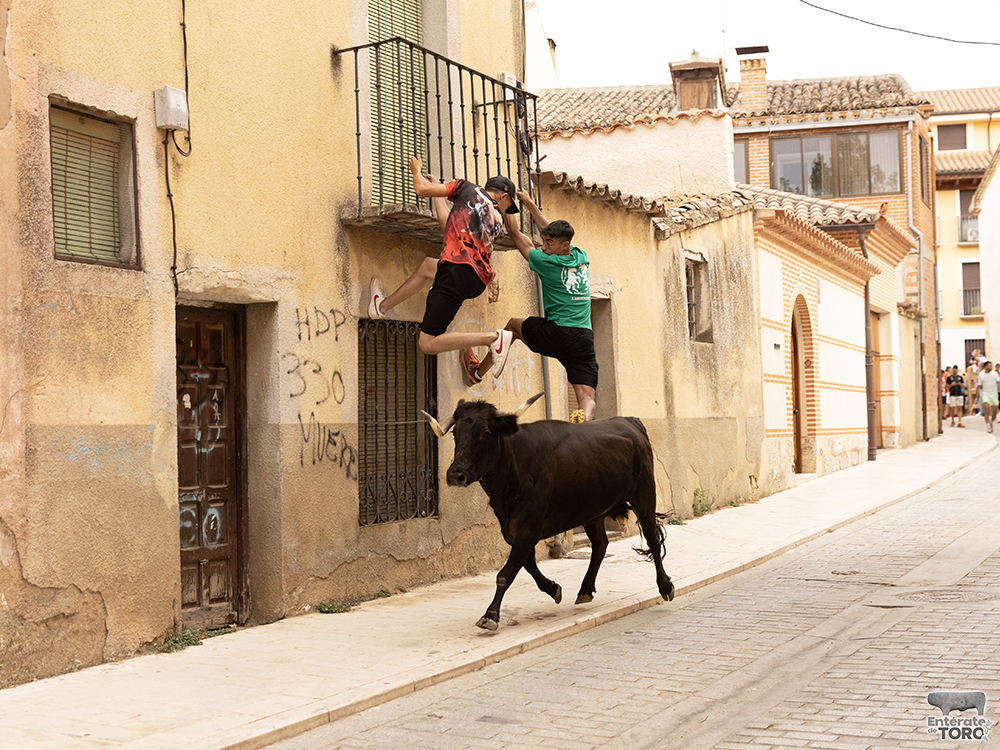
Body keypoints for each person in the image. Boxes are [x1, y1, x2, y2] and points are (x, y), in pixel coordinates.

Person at [367, 157, 520, 380]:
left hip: (457, 272)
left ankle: (492, 339)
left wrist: (416, 170)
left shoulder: (466, 187)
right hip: (475, 281)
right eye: (509, 206)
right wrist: (439, 197)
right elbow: (449, 228)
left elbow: (420, 189)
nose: (507, 210)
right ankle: (381, 307)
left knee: (428, 343)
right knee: (429, 266)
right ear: (504, 196)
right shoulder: (496, 222)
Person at [462, 190, 599, 422]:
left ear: (563, 246)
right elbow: (549, 229)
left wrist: (506, 207)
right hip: (583, 337)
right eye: (544, 242)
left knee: (514, 326)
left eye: (549, 244)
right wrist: (530, 203)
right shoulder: (580, 255)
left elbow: (515, 233)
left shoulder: (547, 262)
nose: (544, 246)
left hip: (559, 332)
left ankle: (477, 372)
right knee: (586, 397)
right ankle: (583, 418)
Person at [979, 361, 1000, 433]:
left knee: (994, 411)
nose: (991, 367)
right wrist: (977, 396)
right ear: (985, 367)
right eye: (989, 366)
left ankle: (991, 421)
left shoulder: (995, 374)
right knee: (987, 409)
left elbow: (999, 382)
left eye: (991, 365)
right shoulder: (981, 375)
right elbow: (978, 386)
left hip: (994, 394)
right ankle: (988, 426)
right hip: (985, 394)